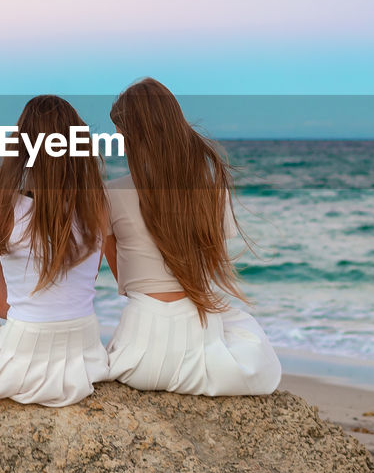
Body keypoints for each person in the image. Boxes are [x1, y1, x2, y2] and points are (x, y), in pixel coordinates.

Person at [102, 77, 281, 395]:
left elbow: (123, 278)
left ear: (137, 136)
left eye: (122, 135)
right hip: (199, 339)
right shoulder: (211, 190)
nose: (120, 143)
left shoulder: (111, 194)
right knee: (251, 345)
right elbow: (207, 262)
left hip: (137, 354)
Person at [0, 95, 110, 416]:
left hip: (27, 348)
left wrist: (36, 318)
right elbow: (82, 287)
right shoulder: (97, 205)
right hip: (85, 349)